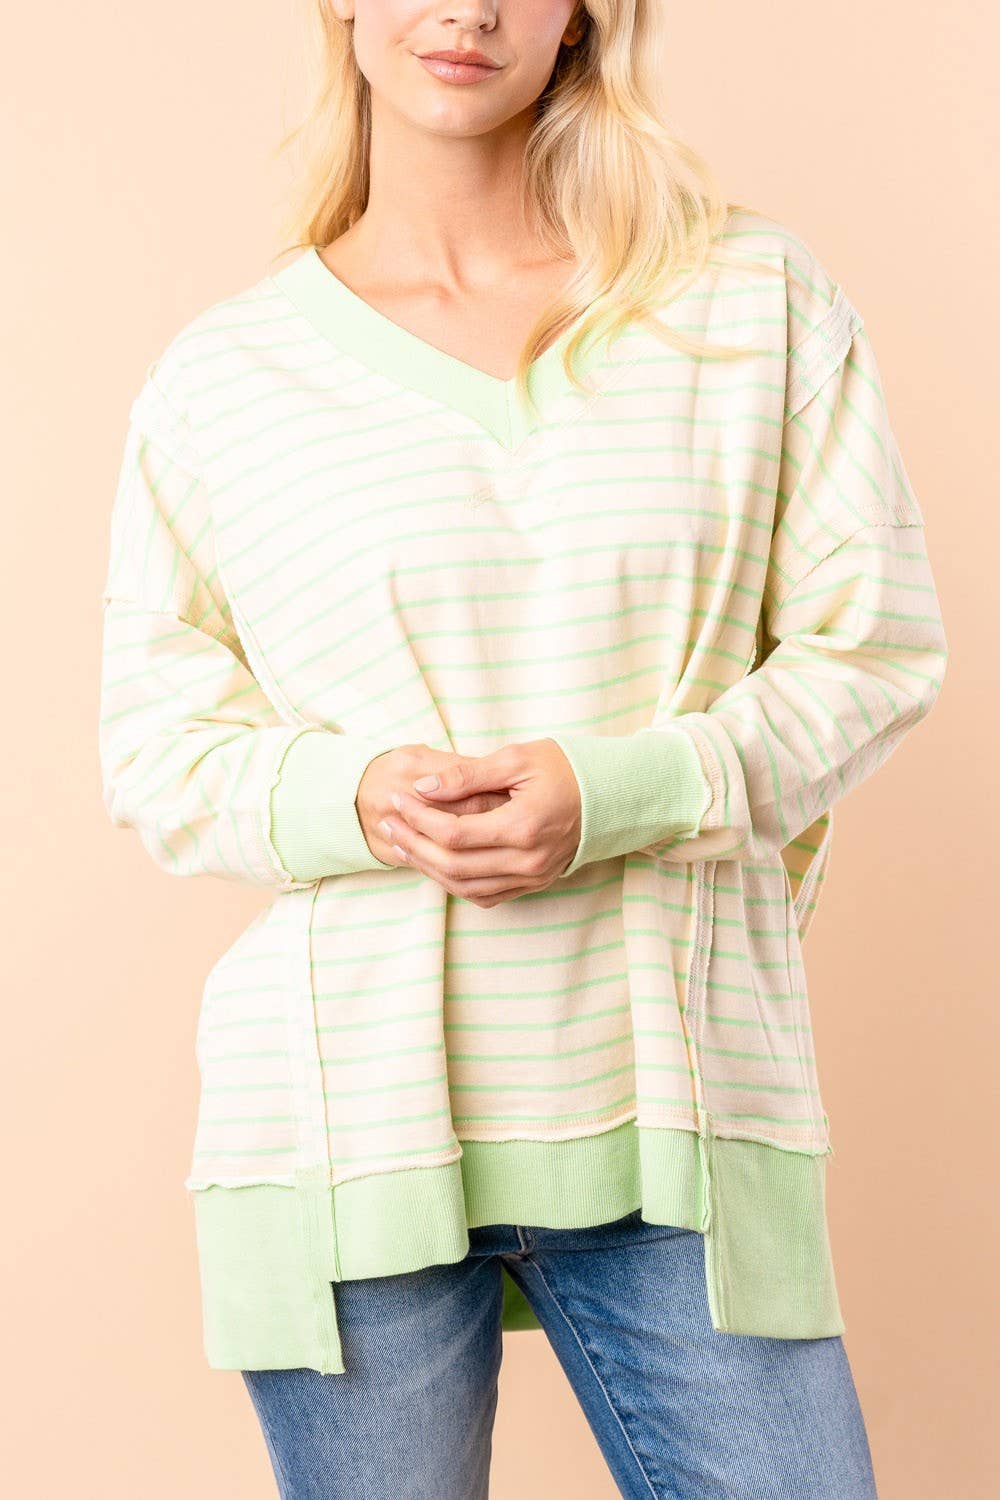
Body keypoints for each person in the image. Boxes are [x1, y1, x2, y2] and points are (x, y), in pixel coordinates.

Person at [98, 2, 948, 1496]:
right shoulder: (223, 377)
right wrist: (359, 798)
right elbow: (158, 746)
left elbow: (872, 650)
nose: (470, 8)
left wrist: (622, 791)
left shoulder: (752, 301)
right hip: (345, 1123)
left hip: (682, 1101)